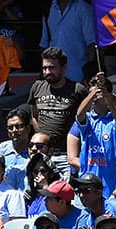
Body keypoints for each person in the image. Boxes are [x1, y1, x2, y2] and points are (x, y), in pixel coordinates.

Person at [29, 47, 88, 179]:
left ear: (64, 68)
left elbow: (86, 119)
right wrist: (41, 137)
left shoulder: (78, 90)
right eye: (44, 68)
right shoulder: (37, 87)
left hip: (66, 156)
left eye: (52, 68)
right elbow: (34, 115)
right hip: (41, 154)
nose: (47, 72)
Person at [39, 0, 96, 84]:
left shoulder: (84, 9)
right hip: (53, 78)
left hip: (78, 76)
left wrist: (89, 74)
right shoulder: (48, 10)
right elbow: (44, 45)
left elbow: (92, 44)